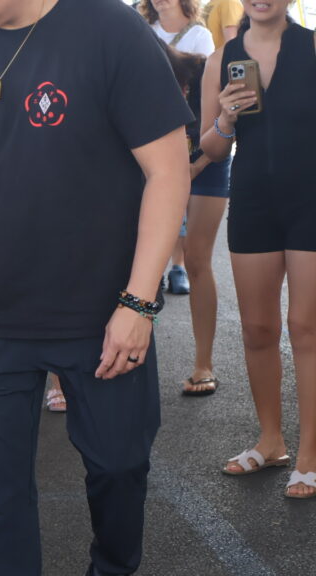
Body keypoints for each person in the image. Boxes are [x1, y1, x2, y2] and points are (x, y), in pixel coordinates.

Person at [0, 0, 193, 573]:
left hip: (103, 312)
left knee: (119, 468)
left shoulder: (110, 30)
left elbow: (167, 170)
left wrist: (140, 301)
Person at [199, 1, 316, 498]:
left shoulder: (312, 47)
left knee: (306, 326)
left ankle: (310, 453)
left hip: (310, 199)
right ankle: (271, 441)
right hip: (251, 200)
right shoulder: (220, 58)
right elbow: (210, 147)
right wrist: (225, 117)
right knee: (257, 328)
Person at [158, 39, 231, 397]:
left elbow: (222, 131)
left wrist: (195, 166)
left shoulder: (203, 67)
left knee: (198, 258)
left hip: (209, 160)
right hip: (162, 165)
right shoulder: (135, 76)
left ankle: (204, 364)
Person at [140, 0, 215, 296]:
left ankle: (177, 265)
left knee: (179, 199)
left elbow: (205, 87)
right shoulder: (143, 29)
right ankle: (154, 269)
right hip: (148, 124)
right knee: (152, 198)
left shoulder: (200, 35)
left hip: (188, 127)